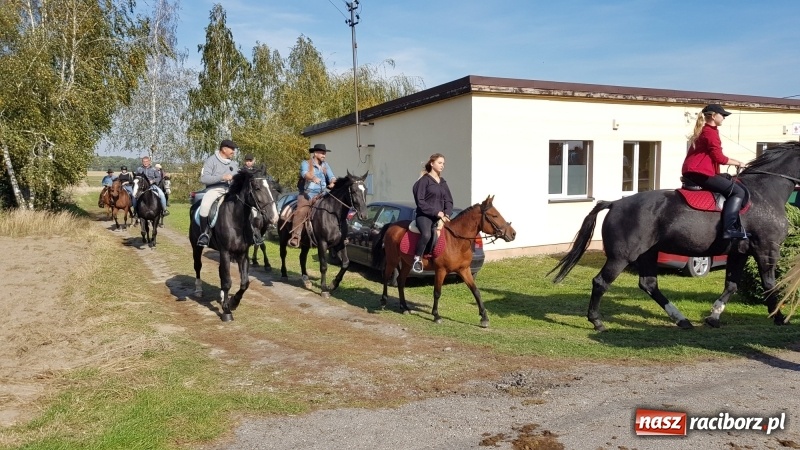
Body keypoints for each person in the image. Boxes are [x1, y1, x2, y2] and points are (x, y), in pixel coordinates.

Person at [681, 104, 747, 240]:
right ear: (713, 115)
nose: (724, 118)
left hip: (696, 171)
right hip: (699, 173)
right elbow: (719, 158)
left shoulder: (706, 130)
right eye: (722, 115)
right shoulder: (710, 133)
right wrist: (738, 163)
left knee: (728, 179)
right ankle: (729, 229)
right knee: (738, 192)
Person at [288, 144, 337, 248]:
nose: (324, 155)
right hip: (307, 194)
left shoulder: (325, 165)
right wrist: (312, 177)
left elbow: (332, 176)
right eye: (322, 153)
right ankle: (296, 236)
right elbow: (305, 174)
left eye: (325, 153)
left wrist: (333, 182)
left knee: (336, 207)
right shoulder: (306, 163)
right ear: (315, 153)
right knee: (301, 211)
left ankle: (340, 234)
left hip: (322, 193)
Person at [411, 153, 453, 273]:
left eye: (443, 163)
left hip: (441, 217)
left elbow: (449, 200)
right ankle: (417, 259)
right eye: (440, 163)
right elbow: (420, 202)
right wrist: (436, 212)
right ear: (432, 163)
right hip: (424, 216)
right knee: (426, 235)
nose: (442, 166)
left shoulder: (443, 182)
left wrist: (447, 214)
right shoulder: (424, 181)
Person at [196, 139, 239, 247]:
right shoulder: (211, 161)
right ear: (224, 149)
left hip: (230, 190)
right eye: (232, 149)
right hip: (214, 190)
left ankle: (252, 232)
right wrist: (222, 177)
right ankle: (204, 234)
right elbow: (204, 178)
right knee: (205, 205)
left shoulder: (234, 164)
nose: (234, 151)